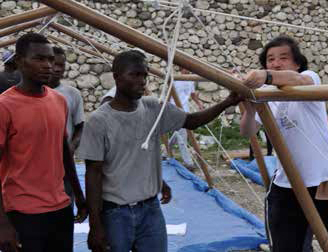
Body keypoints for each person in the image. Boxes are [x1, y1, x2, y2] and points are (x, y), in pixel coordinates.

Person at [78, 50, 242, 252]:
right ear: (116, 77)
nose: (142, 81)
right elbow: (93, 174)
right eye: (135, 75)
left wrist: (227, 102)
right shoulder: (99, 121)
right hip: (116, 213)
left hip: (150, 209)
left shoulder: (152, 108)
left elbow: (191, 121)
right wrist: (95, 225)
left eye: (145, 75)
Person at [239, 35, 328, 252]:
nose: (276, 63)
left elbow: (298, 80)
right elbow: (247, 131)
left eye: (283, 58)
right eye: (270, 59)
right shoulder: (265, 97)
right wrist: (249, 108)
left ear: (296, 63)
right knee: (285, 247)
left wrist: (266, 76)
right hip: (286, 185)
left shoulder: (309, 80)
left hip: (324, 181)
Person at [0, 33, 87, 252]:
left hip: (60, 207)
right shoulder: (5, 106)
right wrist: (2, 224)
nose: (48, 65)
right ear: (19, 61)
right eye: (39, 59)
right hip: (22, 212)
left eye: (50, 60)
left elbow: (63, 152)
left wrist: (78, 194)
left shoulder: (59, 101)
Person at [49, 46, 85, 205]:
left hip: (64, 164)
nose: (57, 69)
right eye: (53, 64)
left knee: (64, 206)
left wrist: (70, 149)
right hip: (34, 165)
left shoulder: (72, 94)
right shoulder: (24, 95)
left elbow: (80, 126)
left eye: (61, 65)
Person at [169, 67, 204, 169]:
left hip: (185, 109)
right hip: (175, 109)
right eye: (184, 68)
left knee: (180, 133)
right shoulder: (175, 79)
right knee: (183, 135)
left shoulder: (190, 79)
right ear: (181, 68)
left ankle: (166, 151)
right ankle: (188, 162)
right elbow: (169, 94)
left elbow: (192, 95)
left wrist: (199, 103)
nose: (187, 69)